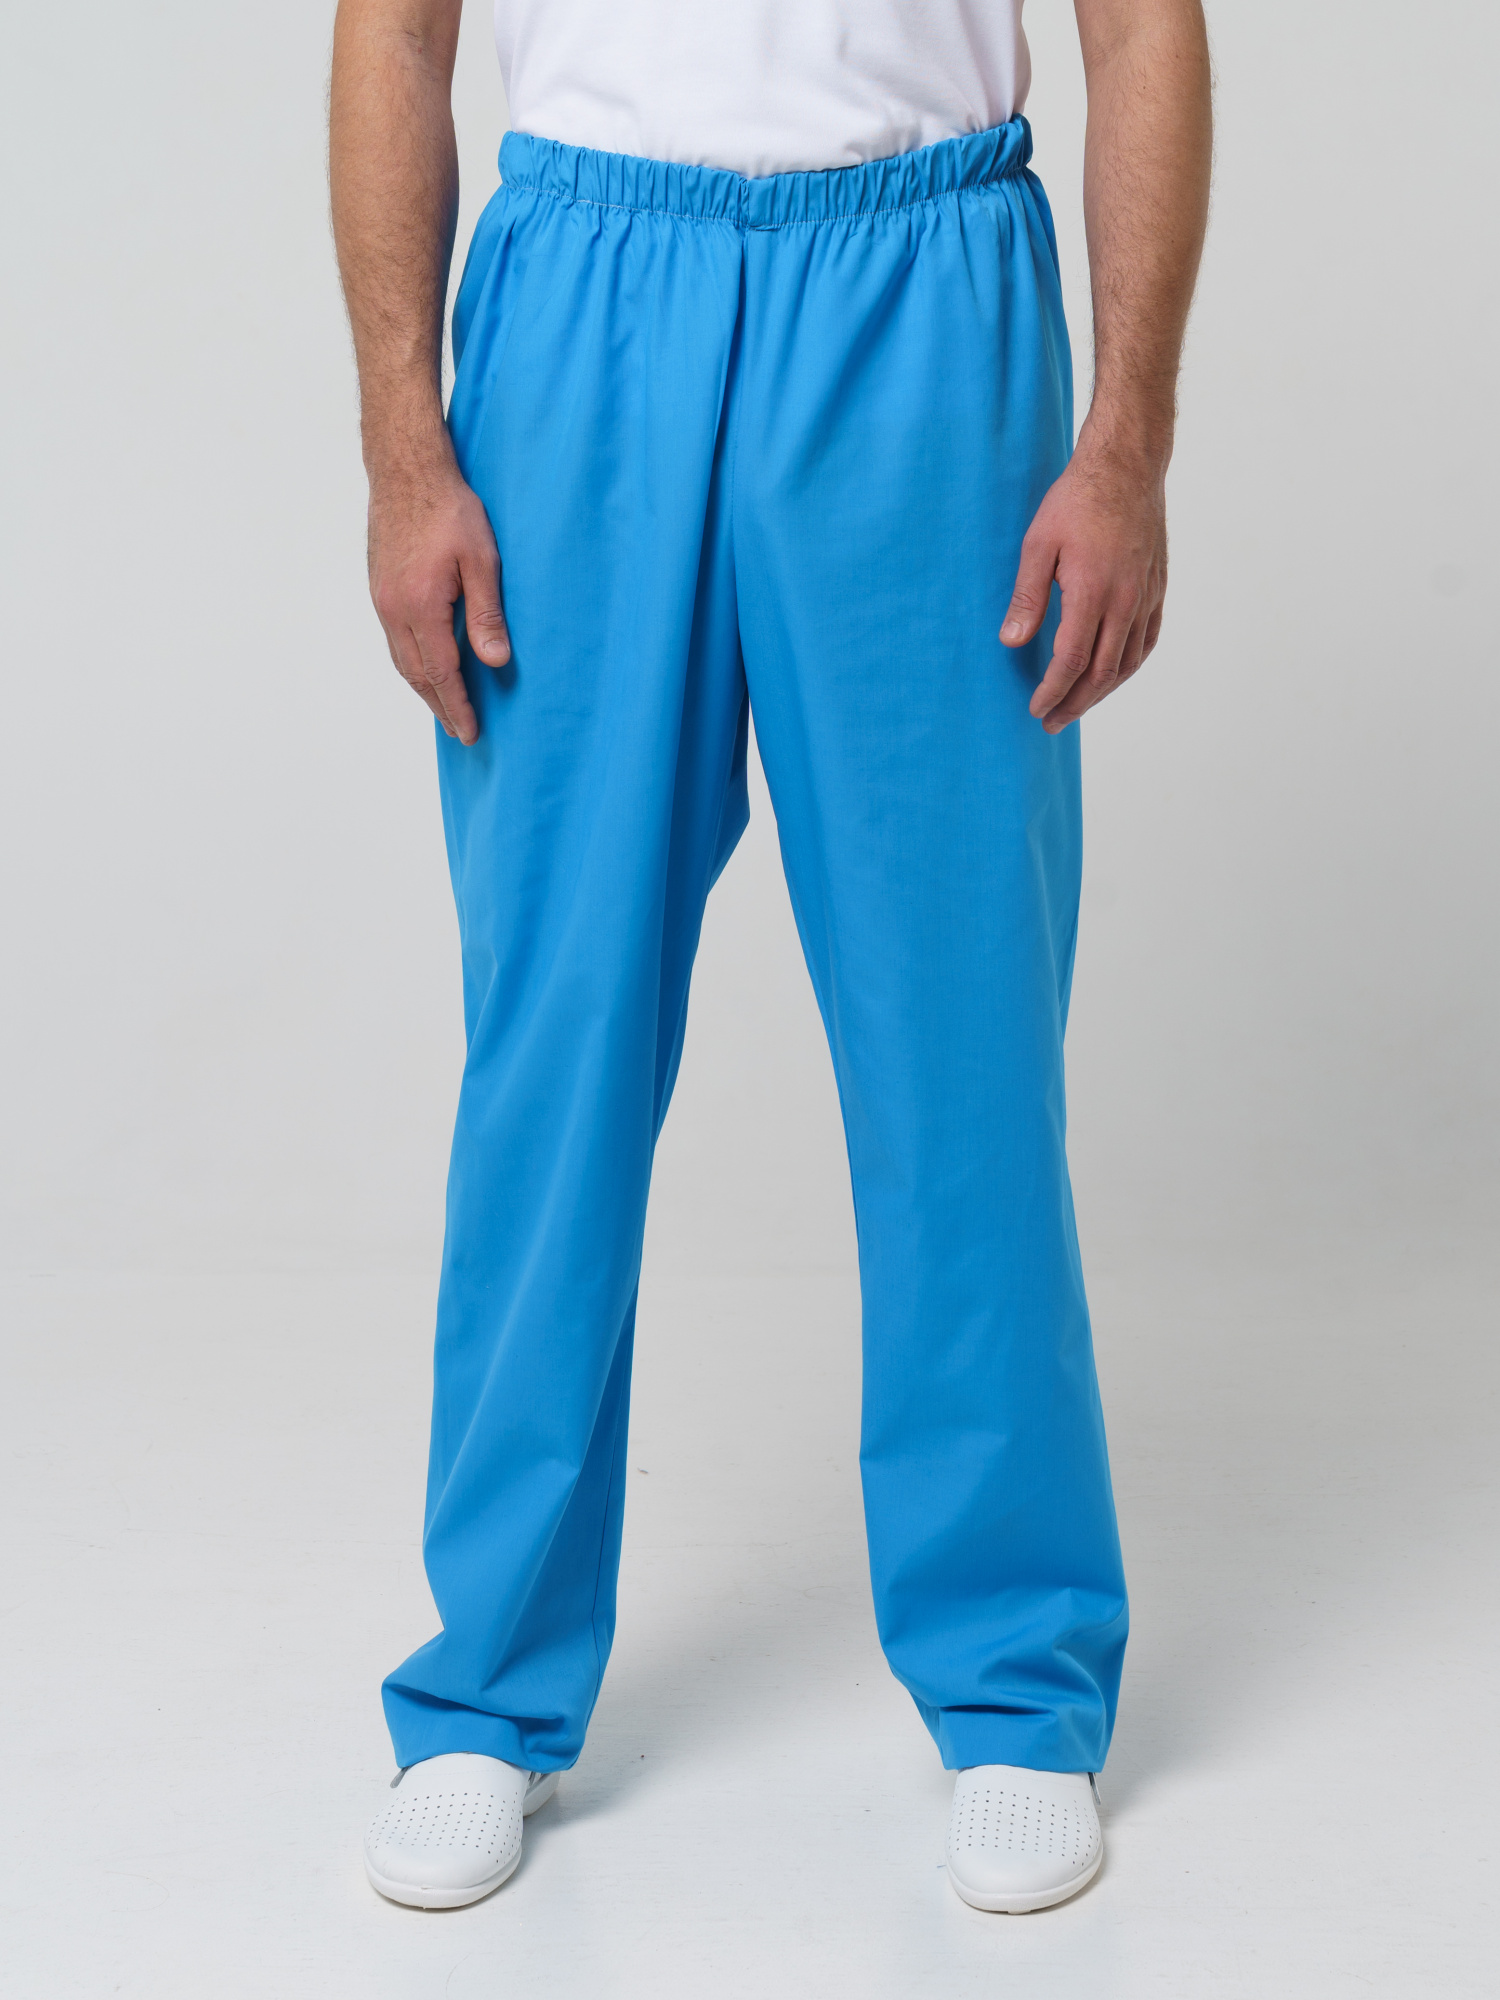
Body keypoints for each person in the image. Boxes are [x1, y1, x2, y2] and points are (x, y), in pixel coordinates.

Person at [330, 0, 1210, 1916]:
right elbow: (392, 35)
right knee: (554, 1045)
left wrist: (1128, 442)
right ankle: (486, 1684)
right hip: (581, 302)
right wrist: (405, 446)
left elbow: (1145, 28)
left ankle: (1015, 1682)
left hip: (926, 289)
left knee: (961, 1048)